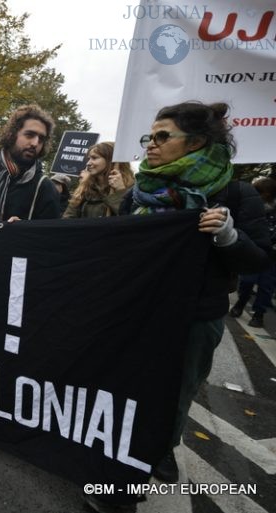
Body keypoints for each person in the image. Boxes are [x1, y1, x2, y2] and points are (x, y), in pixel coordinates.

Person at [110, 102, 271, 513]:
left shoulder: (234, 192)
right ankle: (124, 473)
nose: (152, 145)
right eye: (150, 136)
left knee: (172, 397)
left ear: (196, 141)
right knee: (131, 394)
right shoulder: (139, 191)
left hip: (195, 319)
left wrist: (228, 236)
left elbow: (258, 260)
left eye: (163, 136)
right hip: (140, 310)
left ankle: (156, 454)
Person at [229, 177, 276, 327]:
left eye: (260, 192)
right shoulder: (251, 206)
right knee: (247, 281)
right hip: (253, 249)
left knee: (266, 286)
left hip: (272, 255)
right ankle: (240, 304)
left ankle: (259, 314)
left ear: (268, 194)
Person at [63, 142, 134, 218]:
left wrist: (120, 191)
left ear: (110, 160)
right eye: (89, 159)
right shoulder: (84, 189)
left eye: (94, 158)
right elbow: (68, 219)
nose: (88, 163)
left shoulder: (132, 189)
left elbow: (130, 218)